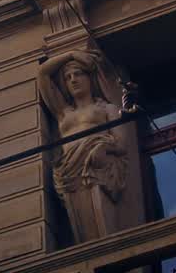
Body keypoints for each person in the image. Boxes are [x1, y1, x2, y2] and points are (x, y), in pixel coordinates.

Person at [37, 50, 128, 243]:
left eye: (78, 74)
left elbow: (121, 144)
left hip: (97, 167)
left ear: (90, 78)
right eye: (68, 77)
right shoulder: (63, 112)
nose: (73, 80)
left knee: (102, 224)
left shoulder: (107, 109)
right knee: (83, 230)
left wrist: (104, 148)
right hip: (69, 172)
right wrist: (71, 54)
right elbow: (42, 73)